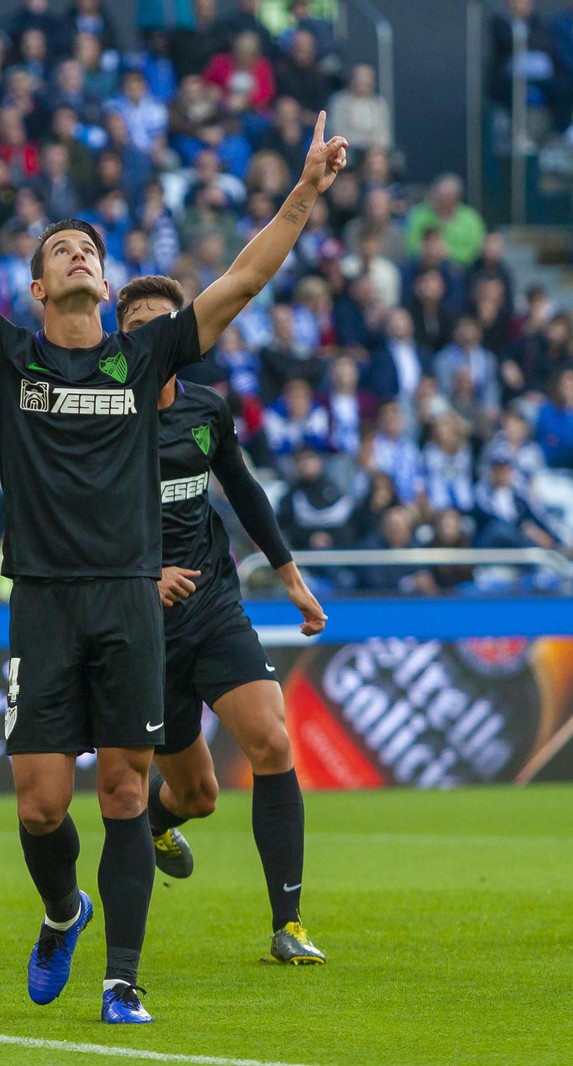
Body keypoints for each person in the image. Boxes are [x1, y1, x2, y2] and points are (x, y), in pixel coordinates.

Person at [0, 85, 346, 1022]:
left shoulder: (145, 358)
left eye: (90, 251)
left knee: (122, 791)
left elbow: (241, 281)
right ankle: (62, 910)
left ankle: (122, 979)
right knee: (39, 807)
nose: (78, 255)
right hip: (42, 598)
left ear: (108, 287)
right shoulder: (10, 357)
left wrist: (305, 193)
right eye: (59, 252)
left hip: (127, 600)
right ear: (37, 288)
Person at [117, 274, 329, 964]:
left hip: (212, 607)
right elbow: (75, 523)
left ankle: (288, 926)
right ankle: (156, 818)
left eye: (163, 323)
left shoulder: (207, 410)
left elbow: (241, 488)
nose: (153, 335)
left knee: (271, 741)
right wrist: (144, 577)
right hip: (145, 629)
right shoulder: (105, 422)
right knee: (199, 795)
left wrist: (291, 577)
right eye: (138, 325)